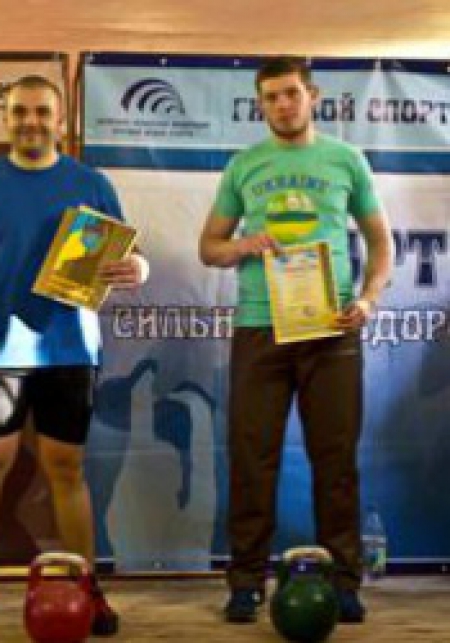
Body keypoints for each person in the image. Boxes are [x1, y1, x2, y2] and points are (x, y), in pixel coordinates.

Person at [0, 74, 149, 639]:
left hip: (70, 349)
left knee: (66, 469)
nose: (31, 121)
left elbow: (130, 255)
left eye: (42, 112)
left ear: (61, 120)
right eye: (20, 111)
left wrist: (138, 268)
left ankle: (87, 588)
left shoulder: (91, 184)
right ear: (7, 118)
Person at [199, 56, 393, 625]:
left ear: (313, 95)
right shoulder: (245, 165)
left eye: (290, 94)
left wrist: (367, 300)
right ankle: (245, 583)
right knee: (251, 459)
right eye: (271, 97)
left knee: (336, 461)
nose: (282, 105)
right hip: (260, 327)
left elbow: (382, 244)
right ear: (260, 105)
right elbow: (209, 247)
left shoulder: (346, 159)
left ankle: (344, 582)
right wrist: (243, 245)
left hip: (330, 328)